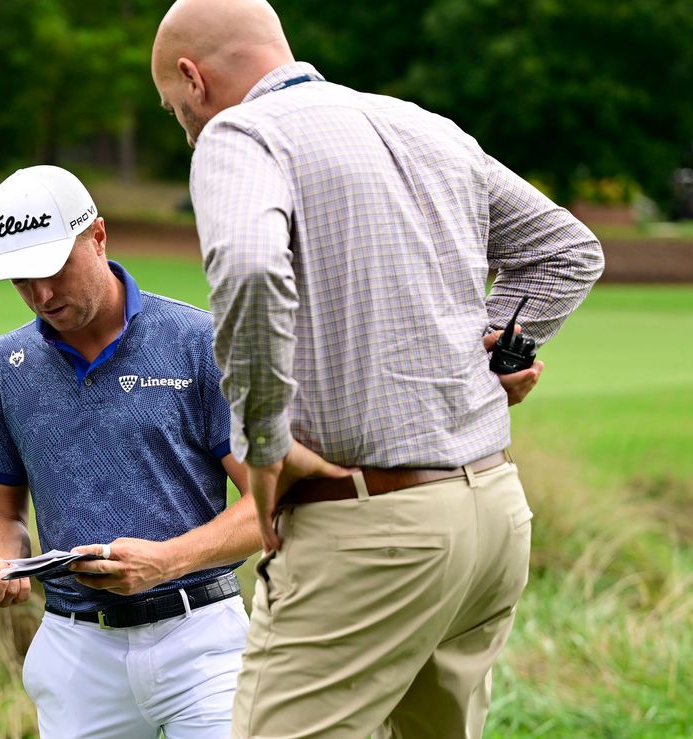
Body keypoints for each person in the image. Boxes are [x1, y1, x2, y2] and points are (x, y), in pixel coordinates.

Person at [151, 1, 605, 737]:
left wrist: (261, 447)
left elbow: (250, 266)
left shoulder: (238, 133)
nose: (185, 126)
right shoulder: (426, 125)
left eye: (174, 110)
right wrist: (495, 354)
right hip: (491, 514)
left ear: (192, 79)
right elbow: (567, 251)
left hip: (370, 528)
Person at [0, 165, 303, 738]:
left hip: (199, 641)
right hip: (75, 650)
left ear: (97, 236)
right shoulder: (2, 367)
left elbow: (268, 501)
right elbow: (0, 514)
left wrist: (165, 563)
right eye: (21, 280)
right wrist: (0, 560)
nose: (41, 295)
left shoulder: (199, 343)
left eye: (53, 270)